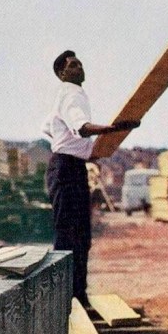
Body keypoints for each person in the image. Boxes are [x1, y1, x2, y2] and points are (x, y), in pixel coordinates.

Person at [42, 51, 140, 306]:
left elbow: (48, 128)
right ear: (62, 73)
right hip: (65, 169)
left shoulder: (68, 95)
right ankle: (66, 298)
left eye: (80, 63)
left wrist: (83, 152)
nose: (79, 68)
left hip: (70, 167)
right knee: (69, 236)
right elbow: (82, 127)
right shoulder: (70, 92)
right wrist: (113, 129)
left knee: (79, 236)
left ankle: (76, 295)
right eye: (73, 65)